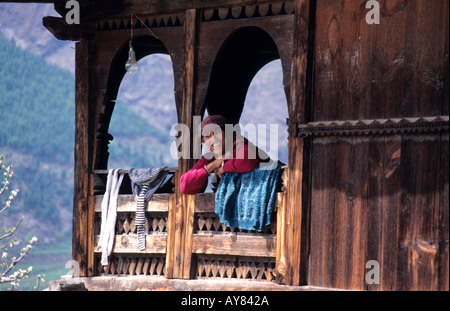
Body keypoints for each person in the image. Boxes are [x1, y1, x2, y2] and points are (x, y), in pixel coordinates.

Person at [180, 115, 268, 195]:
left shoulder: (239, 143)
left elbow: (246, 162)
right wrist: (212, 165)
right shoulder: (211, 156)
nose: (213, 139)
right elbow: (185, 186)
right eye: (207, 136)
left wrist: (223, 168)